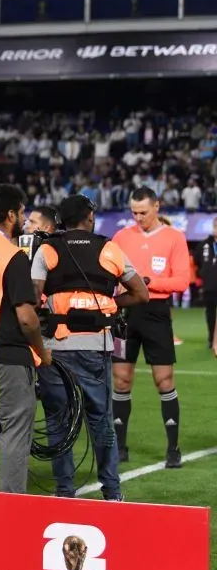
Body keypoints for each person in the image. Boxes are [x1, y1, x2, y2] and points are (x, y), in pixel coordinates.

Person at [31, 195, 149, 499]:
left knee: (59, 422)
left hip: (56, 347)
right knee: (101, 421)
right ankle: (112, 491)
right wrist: (110, 306)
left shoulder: (47, 249)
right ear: (90, 217)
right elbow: (141, 294)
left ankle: (65, 492)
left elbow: (33, 299)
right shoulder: (109, 248)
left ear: (61, 221)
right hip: (96, 347)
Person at [111, 188, 191, 467]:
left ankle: (173, 448)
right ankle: (119, 447)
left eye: (143, 212)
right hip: (125, 313)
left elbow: (182, 281)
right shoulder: (121, 237)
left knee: (164, 380)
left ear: (157, 207)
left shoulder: (174, 238)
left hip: (156, 313)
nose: (138, 217)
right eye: (134, 212)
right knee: (120, 379)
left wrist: (147, 282)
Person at [0, 185, 51, 494]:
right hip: (9, 357)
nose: (24, 218)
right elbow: (26, 316)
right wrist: (42, 351)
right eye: (22, 212)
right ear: (11, 214)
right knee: (14, 432)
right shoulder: (14, 255)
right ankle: (11, 504)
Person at [193, 216, 217, 348]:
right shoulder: (204, 245)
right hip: (210, 286)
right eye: (215, 226)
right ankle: (212, 339)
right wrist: (203, 274)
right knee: (211, 313)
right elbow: (197, 261)